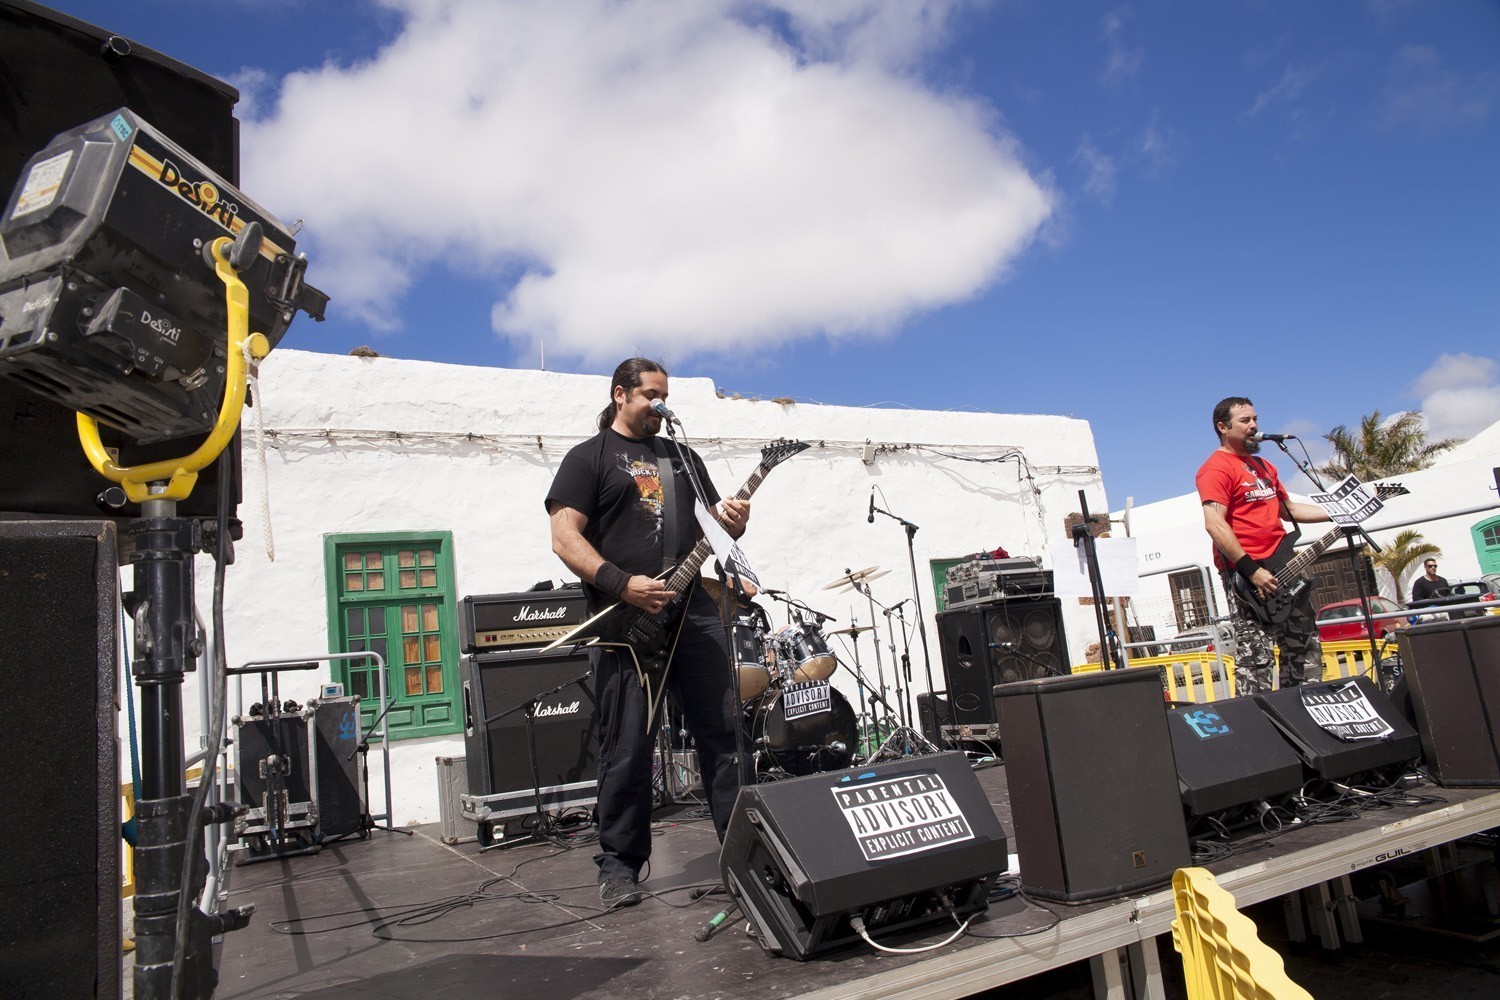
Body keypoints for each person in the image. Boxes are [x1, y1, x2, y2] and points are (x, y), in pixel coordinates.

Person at [545, 358, 750, 908]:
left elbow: (716, 530)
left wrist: (735, 524)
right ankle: (619, 866)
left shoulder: (682, 457)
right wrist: (621, 583)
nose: (661, 405)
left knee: (725, 734)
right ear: (621, 394)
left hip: (692, 610)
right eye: (651, 395)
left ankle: (746, 853)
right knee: (627, 746)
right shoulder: (588, 458)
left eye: (665, 397)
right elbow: (564, 536)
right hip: (624, 620)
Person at [1196, 396, 1330, 694]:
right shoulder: (1216, 468)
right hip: (1248, 576)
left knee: (1304, 643)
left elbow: (1289, 510)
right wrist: (1252, 570)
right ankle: (1257, 715)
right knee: (1256, 659)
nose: (1254, 425)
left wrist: (1338, 511)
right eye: (1245, 420)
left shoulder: (1265, 466)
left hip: (1284, 565)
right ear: (1223, 427)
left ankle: (1305, 703)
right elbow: (1215, 524)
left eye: (1255, 419)